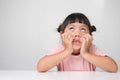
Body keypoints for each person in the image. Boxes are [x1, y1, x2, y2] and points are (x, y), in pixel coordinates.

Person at [37, 13, 118, 72]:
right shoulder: (60, 49)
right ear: (62, 34)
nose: (77, 34)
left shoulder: (91, 48)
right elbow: (41, 67)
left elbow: (113, 68)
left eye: (83, 29)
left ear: (90, 36)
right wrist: (67, 50)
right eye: (71, 28)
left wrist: (85, 53)